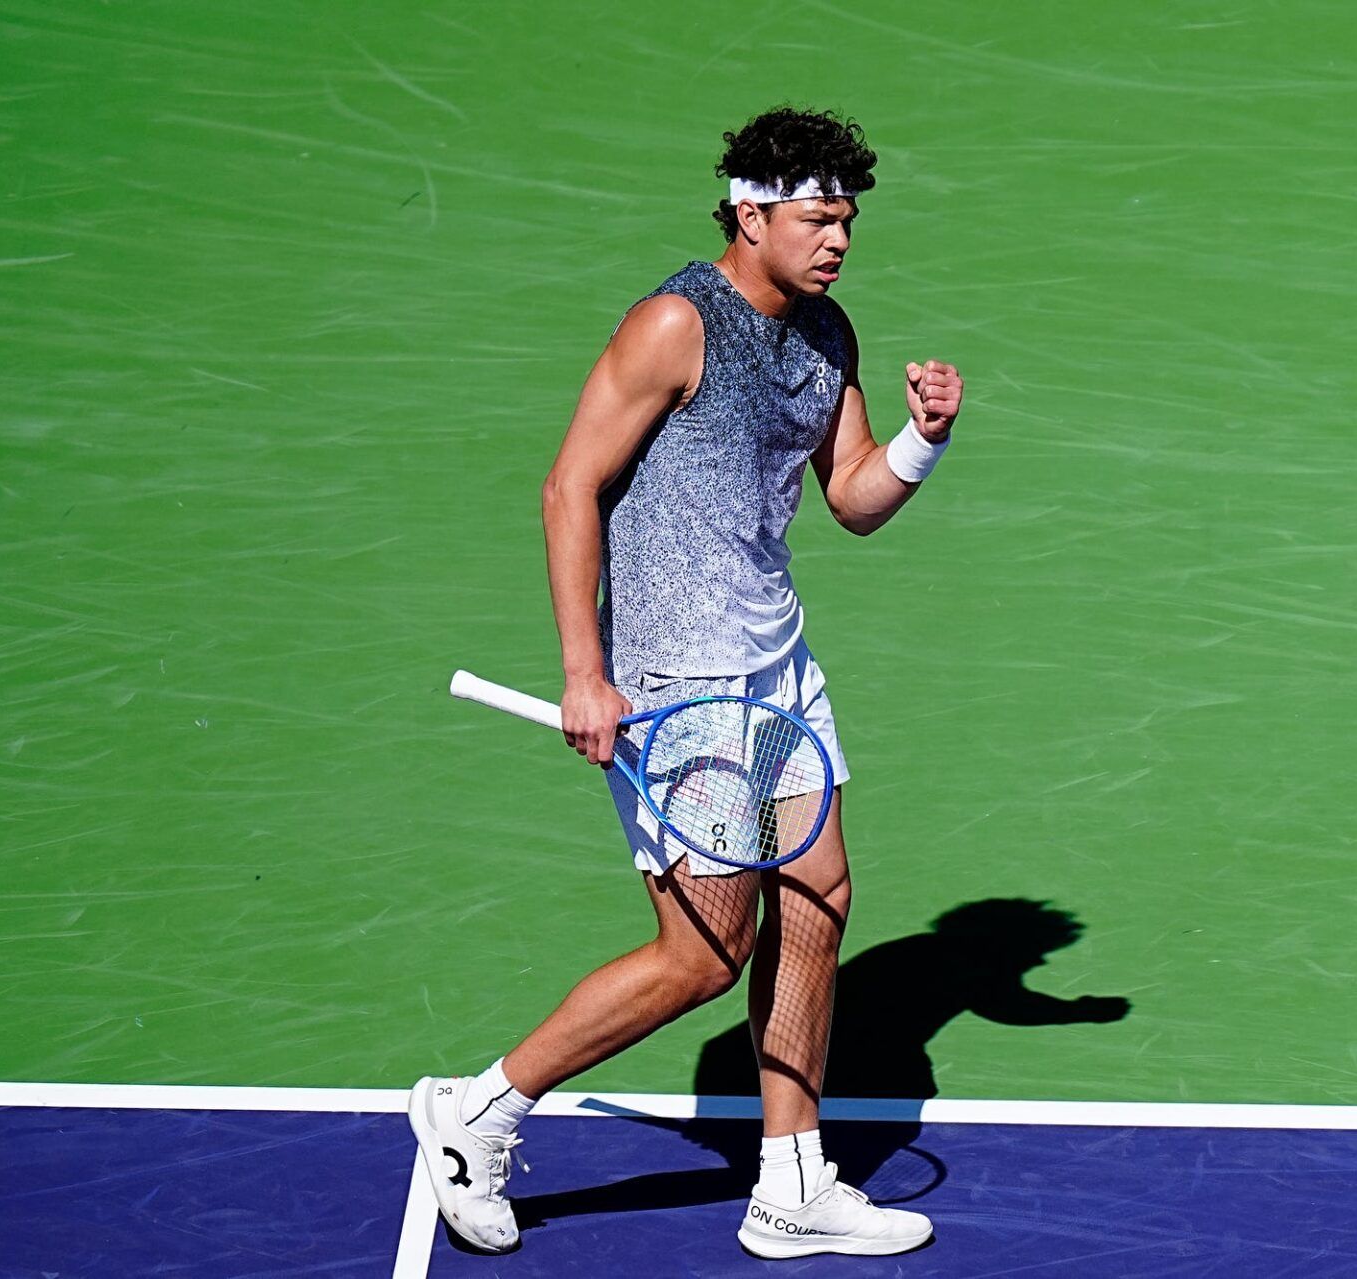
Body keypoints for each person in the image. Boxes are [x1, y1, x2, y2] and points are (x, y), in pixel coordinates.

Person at [410, 106, 963, 1260]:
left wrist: (921, 440)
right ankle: (478, 1108)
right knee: (706, 954)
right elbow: (570, 488)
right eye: (817, 219)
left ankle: (790, 1185)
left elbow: (852, 497)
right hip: (676, 684)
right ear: (750, 215)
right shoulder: (674, 325)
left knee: (816, 903)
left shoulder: (828, 334)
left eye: (848, 220)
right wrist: (585, 672)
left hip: (777, 670)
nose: (838, 240)